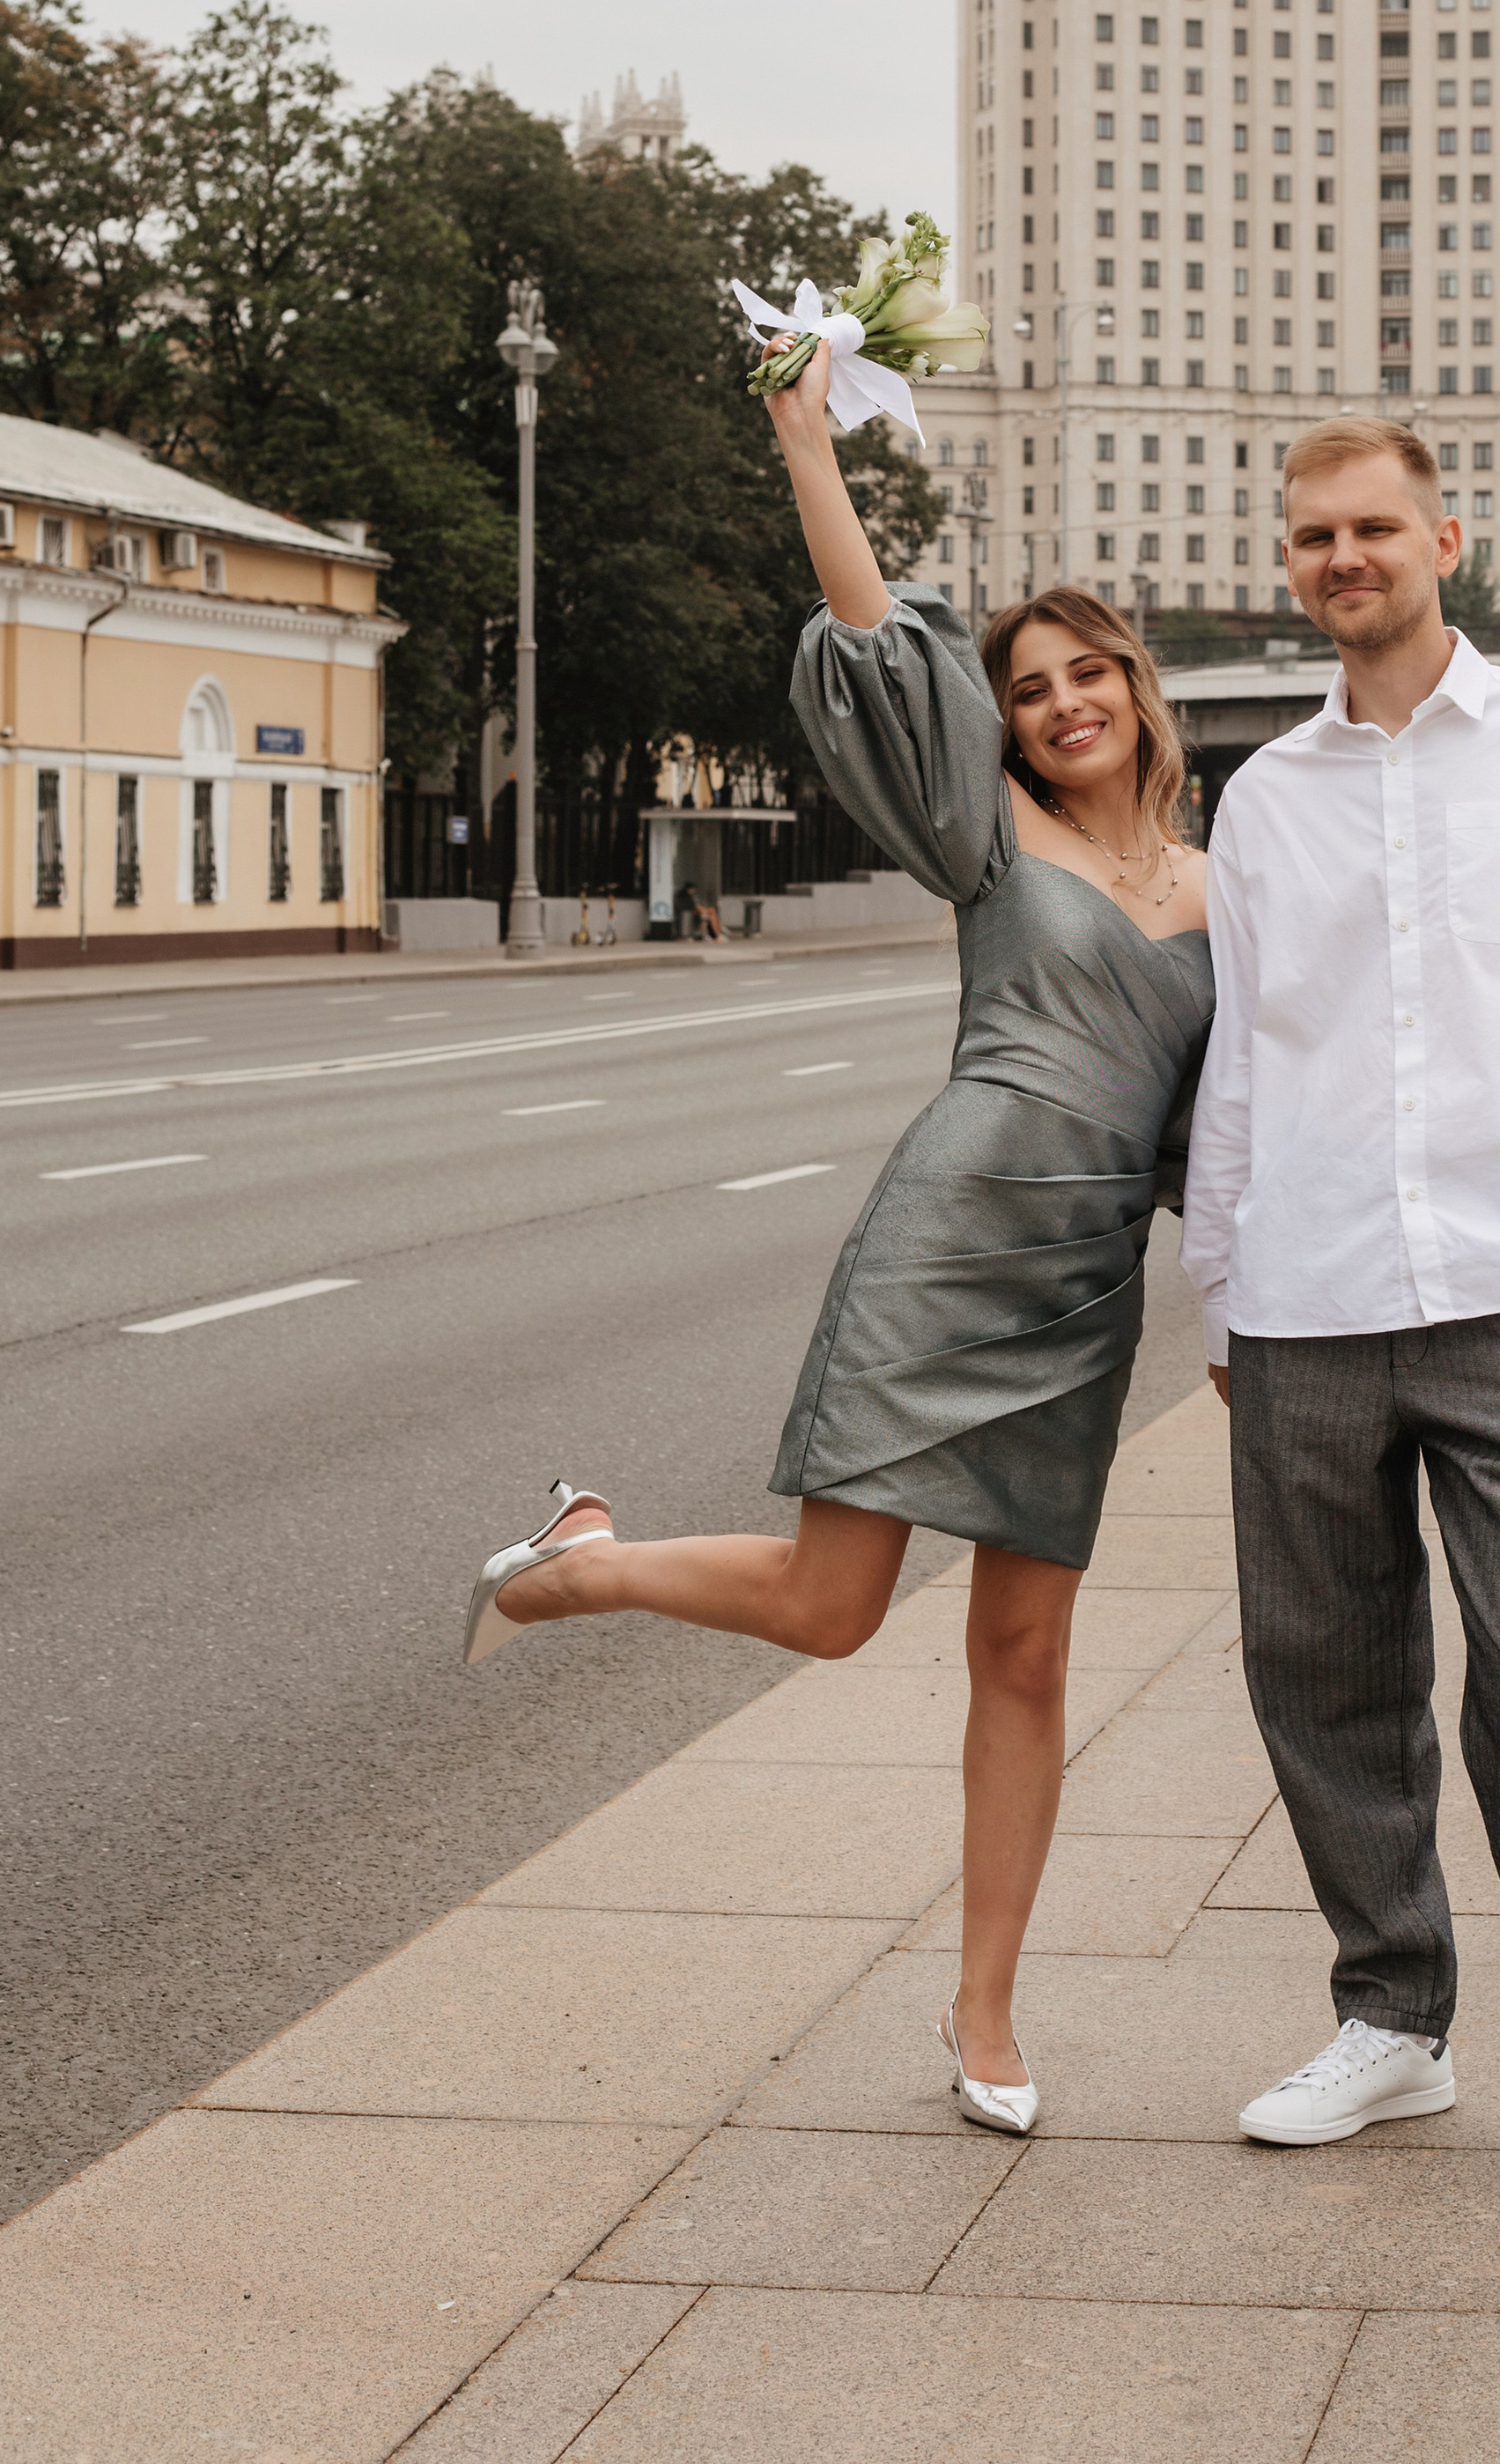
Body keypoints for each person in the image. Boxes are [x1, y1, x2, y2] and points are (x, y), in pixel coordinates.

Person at [462, 335, 1213, 2138]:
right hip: (948, 1234)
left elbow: (1252, 1119)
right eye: (1029, 685)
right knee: (831, 1609)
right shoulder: (983, 831)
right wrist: (807, 440)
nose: (1058, 700)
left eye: (1085, 670)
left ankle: (984, 2018)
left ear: (1136, 683)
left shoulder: (1231, 880)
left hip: (1084, 1284)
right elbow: (880, 643)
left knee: (1024, 1654)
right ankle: (575, 1564)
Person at [1181, 420, 1500, 2194]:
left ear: (1445, 540)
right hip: (1305, 1295)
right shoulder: (1262, 798)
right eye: (1312, 533)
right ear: (1288, 562)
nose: (1343, 555)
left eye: (1373, 526)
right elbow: (1241, 1069)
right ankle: (1391, 2023)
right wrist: (1221, 1290)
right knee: (1322, 1675)